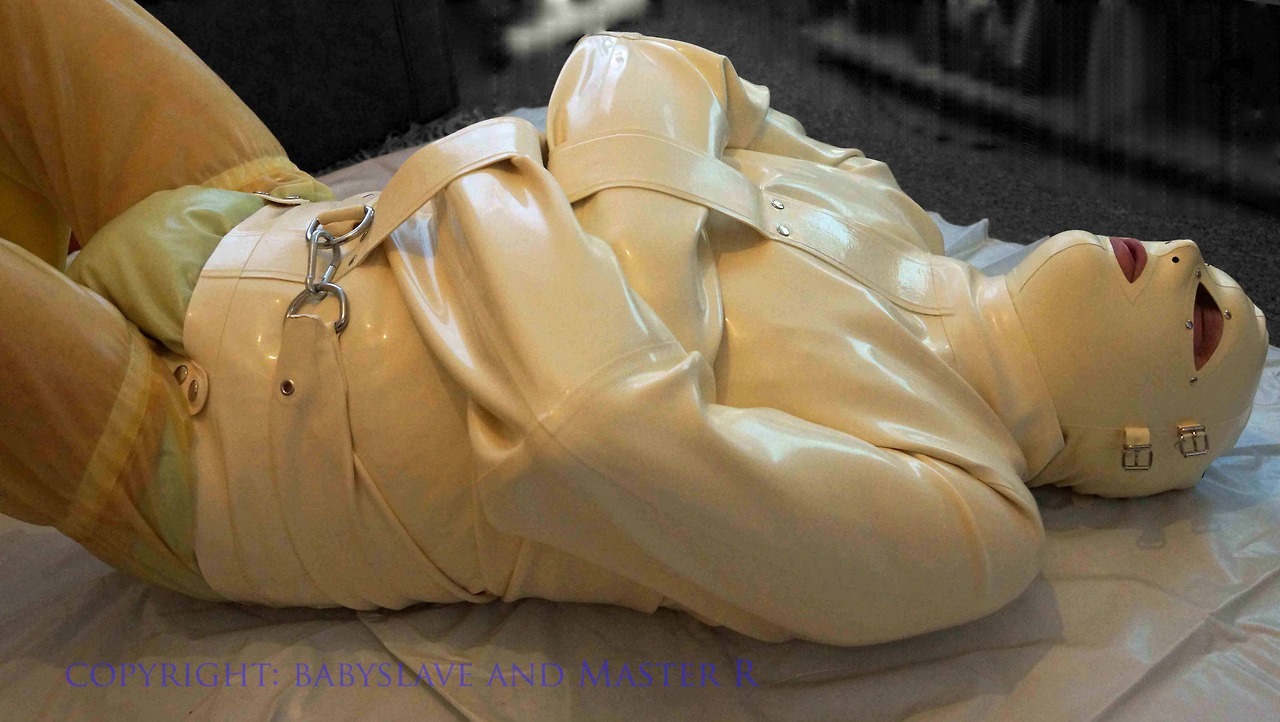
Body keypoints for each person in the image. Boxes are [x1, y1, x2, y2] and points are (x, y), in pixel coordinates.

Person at [0, 0, 1268, 646]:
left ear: (1145, 448)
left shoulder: (966, 523)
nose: (1179, 252)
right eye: (1198, 257)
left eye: (1208, 313)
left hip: (222, 440)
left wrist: (550, 185)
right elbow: (638, 59)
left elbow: (584, 436)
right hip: (261, 211)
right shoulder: (885, 206)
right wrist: (611, 282)